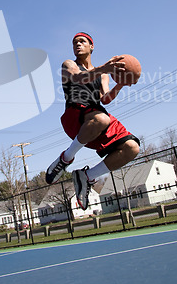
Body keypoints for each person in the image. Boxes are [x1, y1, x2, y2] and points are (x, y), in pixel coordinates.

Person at [45, 32, 140, 210]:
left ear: (92, 46)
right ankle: (66, 158)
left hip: (97, 117)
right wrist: (105, 68)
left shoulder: (103, 75)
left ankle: (87, 177)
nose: (77, 44)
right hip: (75, 116)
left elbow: (105, 99)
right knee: (101, 118)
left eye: (82, 41)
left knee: (132, 148)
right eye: (74, 43)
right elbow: (80, 78)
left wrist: (120, 85)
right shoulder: (69, 64)